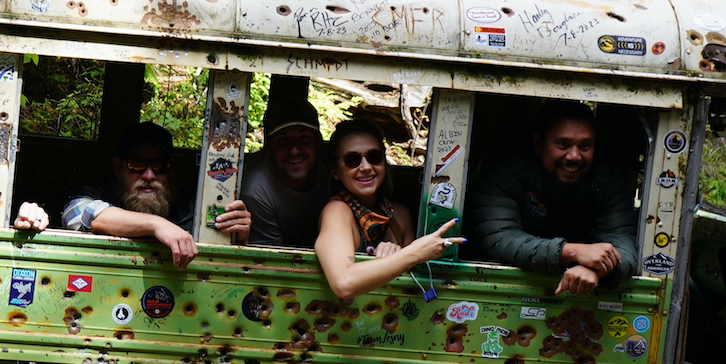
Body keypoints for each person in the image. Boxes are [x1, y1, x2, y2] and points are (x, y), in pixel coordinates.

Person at [466, 100, 638, 295]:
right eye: (563, 144)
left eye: (585, 146)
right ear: (538, 143)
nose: (574, 156)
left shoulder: (607, 174)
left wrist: (595, 269)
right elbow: (498, 238)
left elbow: (623, 243)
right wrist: (572, 252)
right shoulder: (507, 165)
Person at [61, 121, 249, 268]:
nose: (149, 175)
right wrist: (156, 225)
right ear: (118, 167)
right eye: (137, 164)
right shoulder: (101, 189)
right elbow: (76, 213)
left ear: (171, 169)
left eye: (160, 166)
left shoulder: (192, 207)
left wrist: (237, 239)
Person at [314, 119, 463, 299]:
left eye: (374, 157)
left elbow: (411, 282)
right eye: (352, 160)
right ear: (335, 170)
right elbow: (343, 283)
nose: (366, 167)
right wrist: (413, 253)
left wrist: (397, 255)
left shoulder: (399, 215)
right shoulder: (337, 211)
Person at [241, 81, 329, 247]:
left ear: (318, 142)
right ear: (268, 148)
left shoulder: (337, 167)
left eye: (304, 137)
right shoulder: (256, 189)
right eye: (283, 139)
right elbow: (269, 256)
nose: (294, 150)